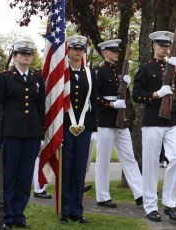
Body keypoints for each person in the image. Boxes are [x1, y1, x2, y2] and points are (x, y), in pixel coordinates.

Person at [132, 31, 176, 222]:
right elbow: (136, 94)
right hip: (152, 120)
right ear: (153, 46)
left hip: (172, 119)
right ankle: (150, 206)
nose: (164, 48)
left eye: (167, 45)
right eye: (161, 45)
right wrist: (156, 94)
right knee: (150, 164)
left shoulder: (173, 66)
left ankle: (170, 203)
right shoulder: (146, 68)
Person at [0, 39, 45, 229]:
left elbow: (40, 106)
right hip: (12, 132)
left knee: (26, 176)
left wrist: (41, 133)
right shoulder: (5, 77)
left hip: (32, 133)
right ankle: (7, 216)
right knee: (10, 175)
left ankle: (19, 215)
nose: (26, 56)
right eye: (22, 53)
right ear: (15, 56)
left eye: (29, 54)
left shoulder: (37, 78)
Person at [94, 39, 143, 209]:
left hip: (120, 120)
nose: (116, 53)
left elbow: (124, 96)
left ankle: (140, 193)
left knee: (129, 157)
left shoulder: (117, 73)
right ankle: (102, 196)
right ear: (104, 52)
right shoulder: (99, 72)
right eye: (113, 51)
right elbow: (95, 96)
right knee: (103, 159)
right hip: (106, 119)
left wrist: (126, 85)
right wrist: (111, 104)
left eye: (117, 51)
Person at [59, 35, 97, 224]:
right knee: (66, 168)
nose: (77, 52)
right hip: (66, 127)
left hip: (84, 128)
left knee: (80, 169)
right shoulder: (61, 73)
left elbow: (94, 101)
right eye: (74, 49)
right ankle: (64, 210)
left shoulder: (90, 73)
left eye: (80, 49)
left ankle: (77, 210)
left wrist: (94, 128)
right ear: (69, 50)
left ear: (83, 52)